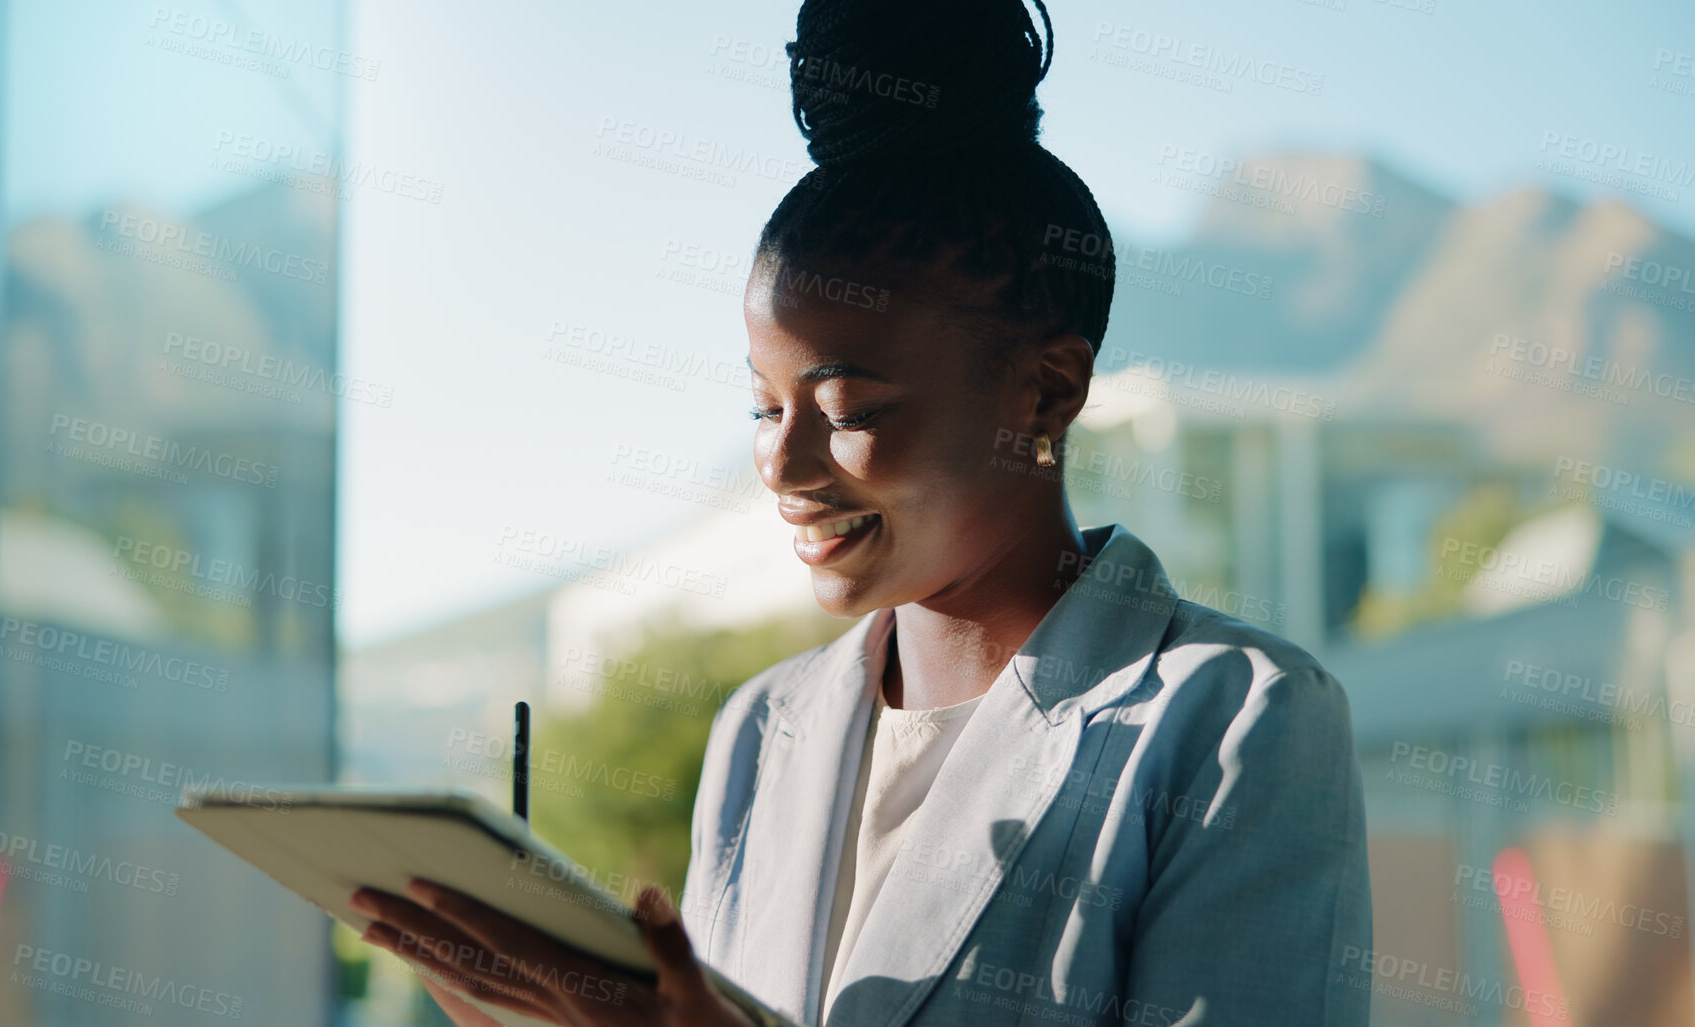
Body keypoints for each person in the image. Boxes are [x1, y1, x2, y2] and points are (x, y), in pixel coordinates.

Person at [350, 0, 1372, 1024]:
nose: (781, 460)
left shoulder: (1242, 720)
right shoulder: (760, 729)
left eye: (848, 409)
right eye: (762, 403)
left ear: (1047, 390)